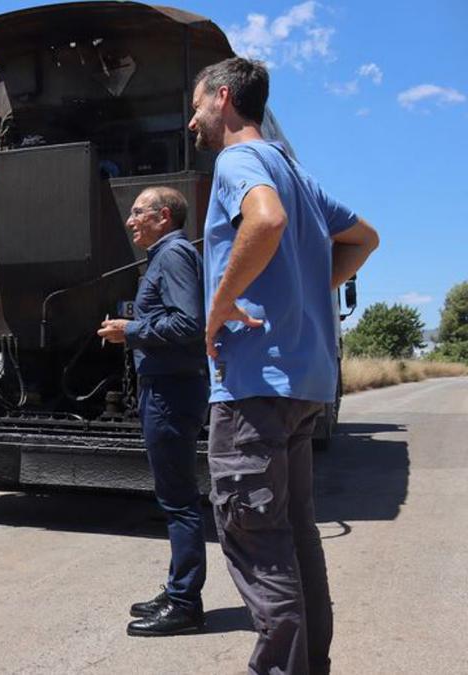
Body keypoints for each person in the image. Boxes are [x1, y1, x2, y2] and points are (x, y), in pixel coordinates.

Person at [189, 57, 380, 674]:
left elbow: (263, 219)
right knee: (297, 542)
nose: (193, 121)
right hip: (304, 387)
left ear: (223, 99)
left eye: (197, 106)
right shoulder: (296, 172)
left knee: (261, 548)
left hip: (252, 390)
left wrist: (218, 307)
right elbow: (365, 239)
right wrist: (303, 287)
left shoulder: (237, 161)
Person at [98, 187, 208, 637]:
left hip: (172, 392)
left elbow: (189, 322)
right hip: (164, 389)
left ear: (164, 216)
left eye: (138, 213)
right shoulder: (165, 256)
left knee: (179, 501)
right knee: (174, 497)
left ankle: (185, 604)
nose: (130, 221)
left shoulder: (174, 255)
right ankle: (178, 589)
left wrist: (133, 329)